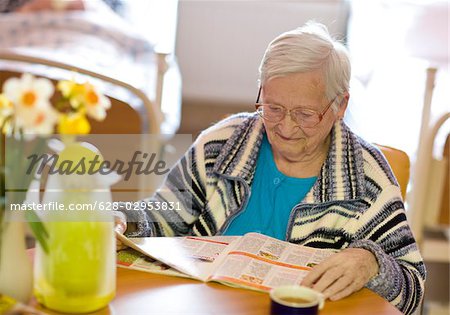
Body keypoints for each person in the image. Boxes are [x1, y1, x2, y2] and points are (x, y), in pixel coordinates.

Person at [115, 22, 425, 314]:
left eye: (304, 114)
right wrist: (123, 220)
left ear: (340, 105)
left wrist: (372, 262)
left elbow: (413, 292)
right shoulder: (221, 144)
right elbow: (162, 217)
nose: (286, 128)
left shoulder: (367, 178)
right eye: (273, 108)